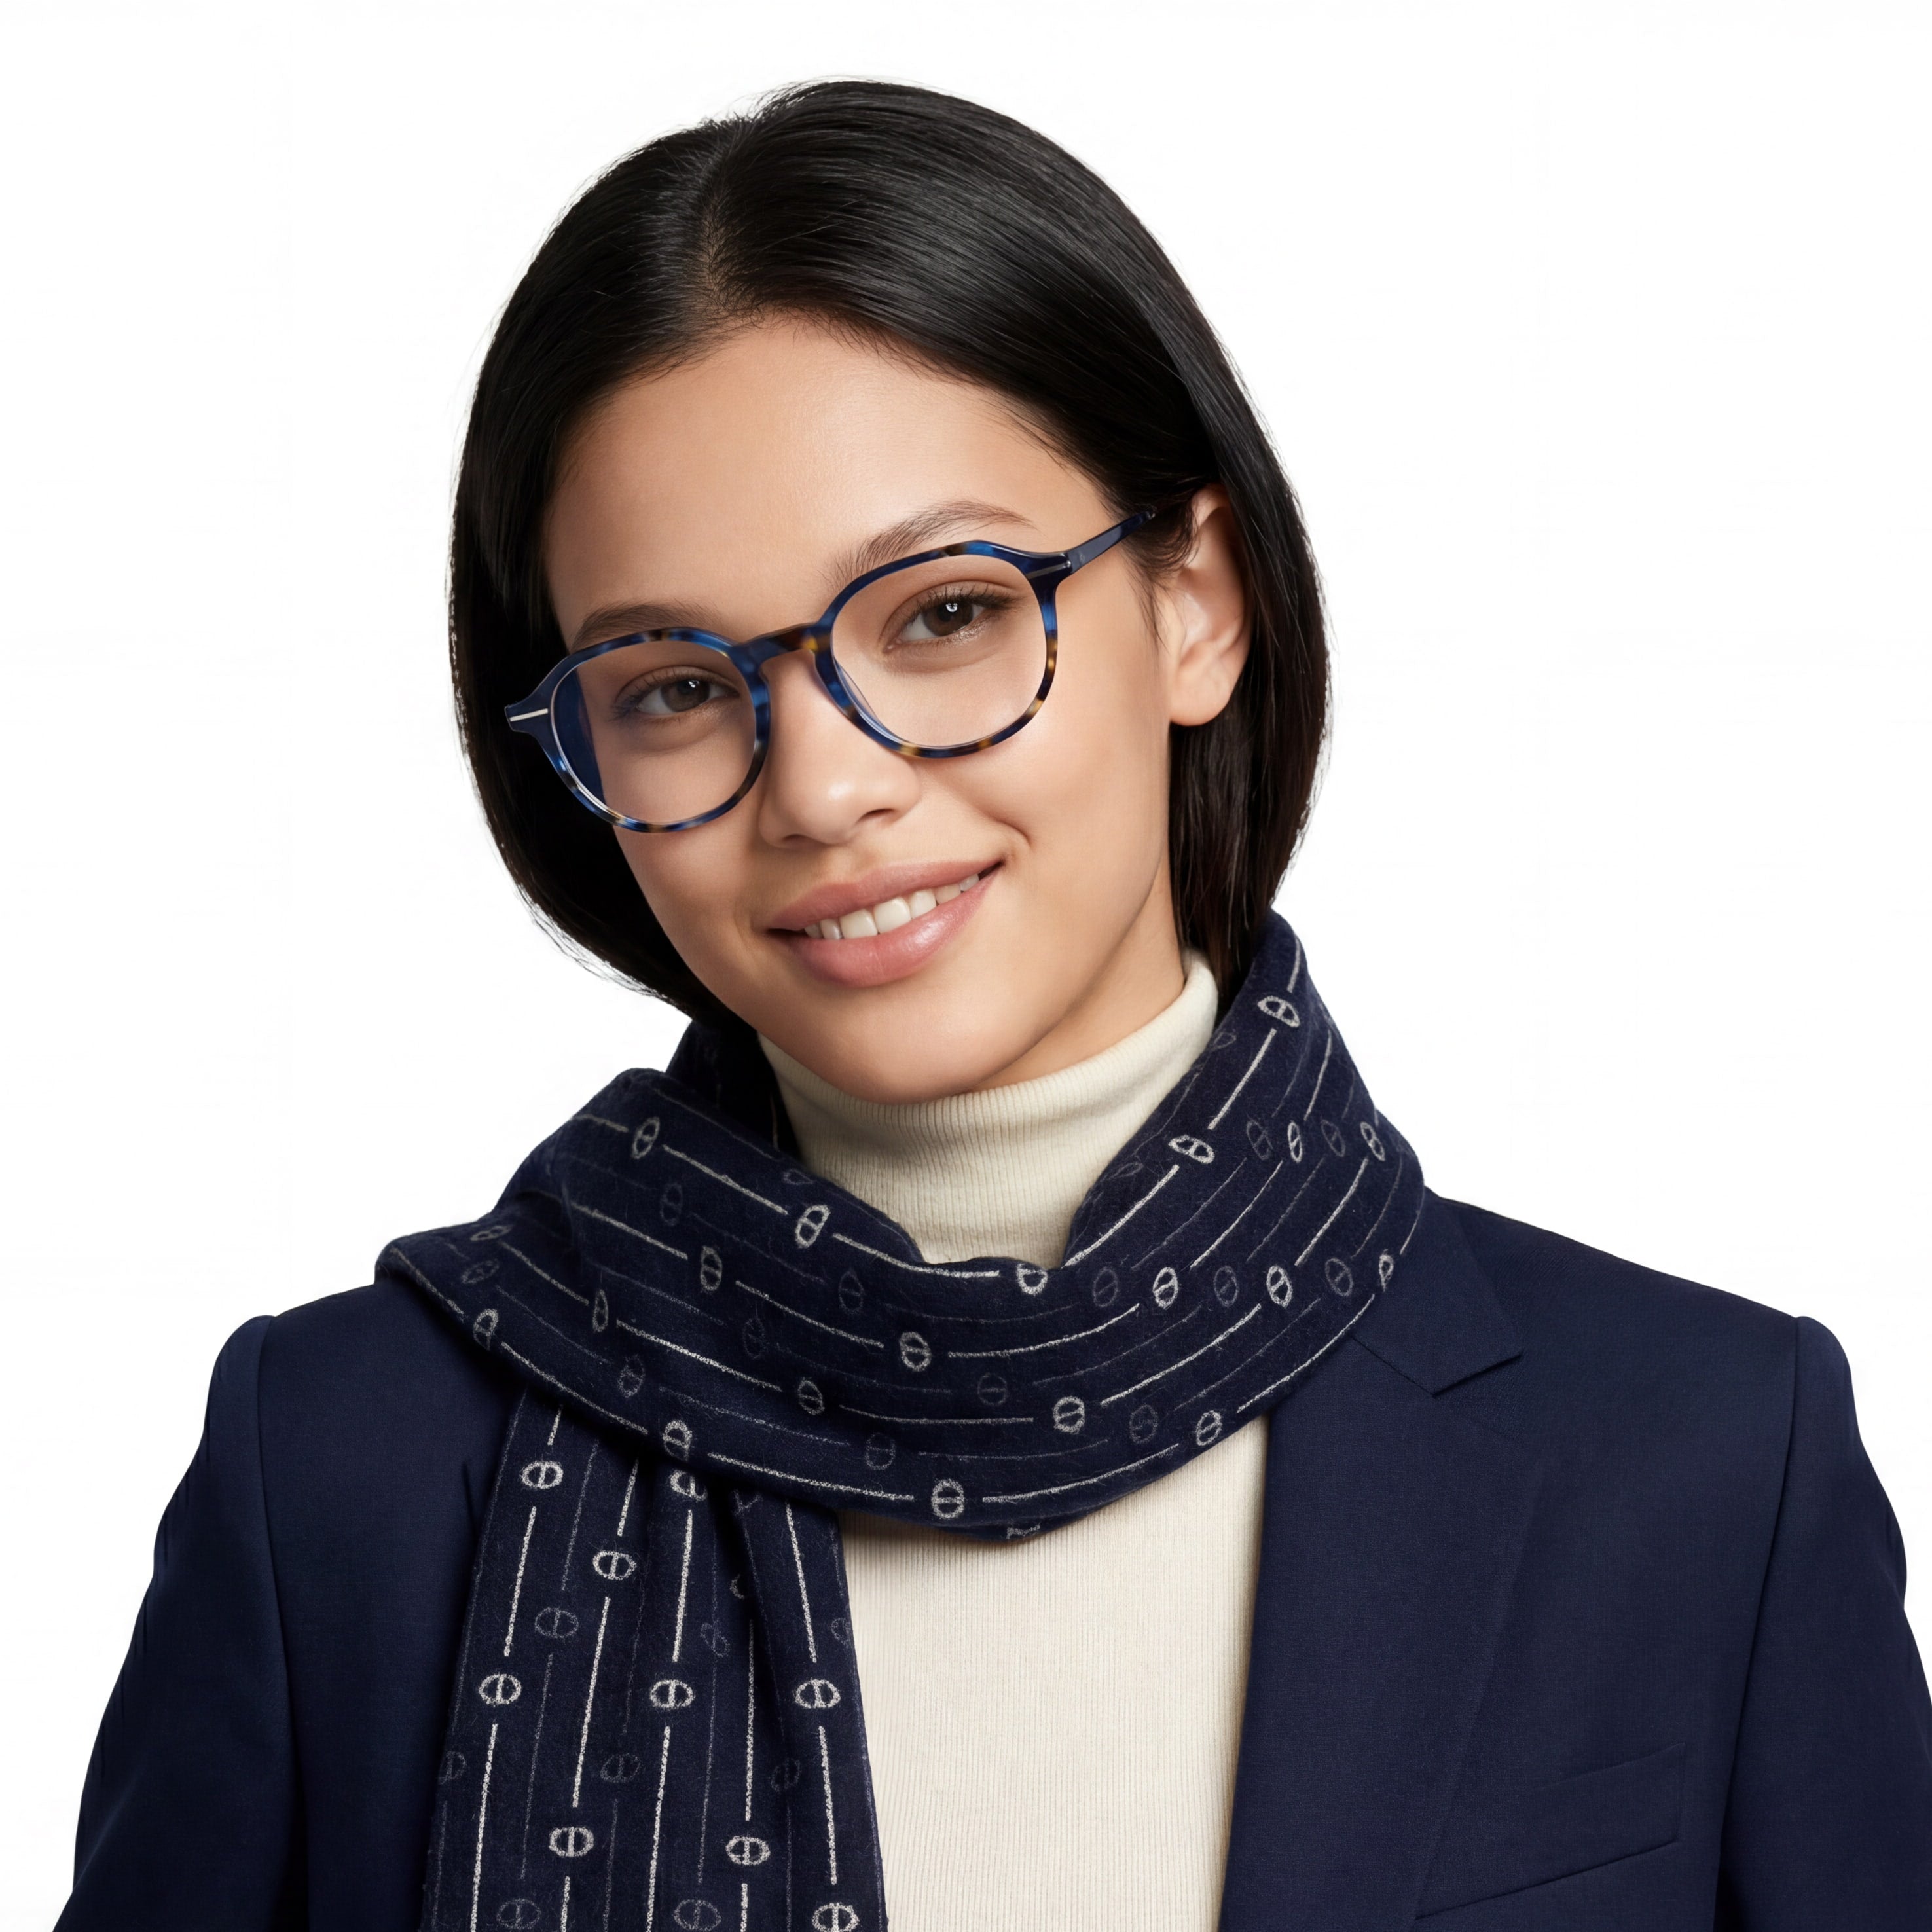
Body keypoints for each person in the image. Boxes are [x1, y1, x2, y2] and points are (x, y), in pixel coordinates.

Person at [57, 79, 1932, 1932]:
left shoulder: (1697, 1462)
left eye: (942, 615)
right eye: (672, 685)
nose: (823, 788)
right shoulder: (343, 1473)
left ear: (1195, 601)